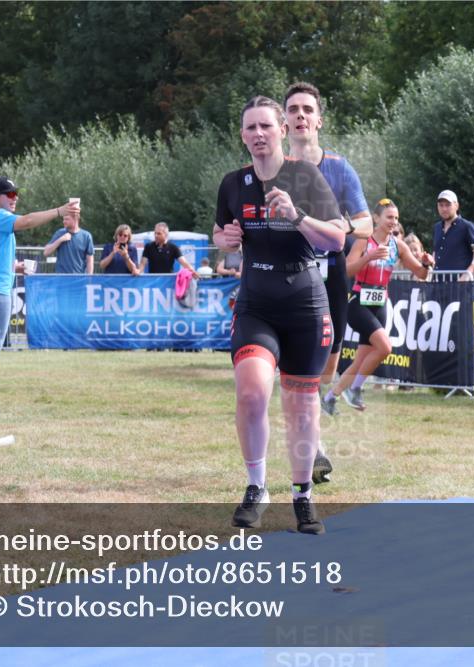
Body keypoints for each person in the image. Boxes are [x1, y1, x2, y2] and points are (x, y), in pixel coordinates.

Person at [214, 96, 344, 535]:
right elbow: (221, 231)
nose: (258, 134)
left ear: (281, 131)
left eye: (265, 126)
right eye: (250, 127)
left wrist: (298, 214)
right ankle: (256, 486)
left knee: (301, 407)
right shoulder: (233, 183)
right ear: (242, 135)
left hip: (305, 303)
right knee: (252, 392)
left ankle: (303, 496)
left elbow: (337, 240)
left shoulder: (306, 176)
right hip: (257, 303)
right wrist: (226, 238)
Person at [284, 81, 373, 484]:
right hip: (290, 273)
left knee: (326, 363)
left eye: (307, 109)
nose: (300, 115)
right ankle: (314, 446)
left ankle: (313, 433)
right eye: (293, 110)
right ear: (284, 122)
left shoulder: (338, 167)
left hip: (331, 272)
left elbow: (367, 224)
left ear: (319, 120)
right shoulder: (274, 170)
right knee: (298, 363)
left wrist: (339, 226)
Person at [0, 176, 79, 413]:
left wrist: (14, 267)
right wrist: (60, 211)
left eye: (16, 193)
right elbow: (27, 221)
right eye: (9, 194)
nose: (14, 197)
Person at [322, 199, 432, 414]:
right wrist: (369, 257)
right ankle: (355, 388)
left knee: (361, 359)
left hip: (380, 303)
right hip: (359, 302)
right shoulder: (364, 241)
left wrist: (427, 263)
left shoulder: (398, 246)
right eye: (389, 217)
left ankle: (329, 398)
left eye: (396, 218)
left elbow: (421, 274)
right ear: (376, 218)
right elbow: (347, 271)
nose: (394, 222)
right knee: (385, 347)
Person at [432, 189, 474, 276]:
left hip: (459, 284)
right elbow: (436, 252)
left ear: (456, 205)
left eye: (448, 205)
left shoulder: (467, 227)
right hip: (437, 282)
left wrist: (467, 274)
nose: (444, 208)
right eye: (441, 205)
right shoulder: (437, 227)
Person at [44, 208, 94, 273]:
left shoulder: (86, 236)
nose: (63, 221)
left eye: (66, 219)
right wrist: (60, 240)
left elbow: (90, 260)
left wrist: (89, 278)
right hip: (62, 278)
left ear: (75, 219)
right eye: (63, 219)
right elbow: (46, 252)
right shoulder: (60, 233)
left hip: (79, 278)